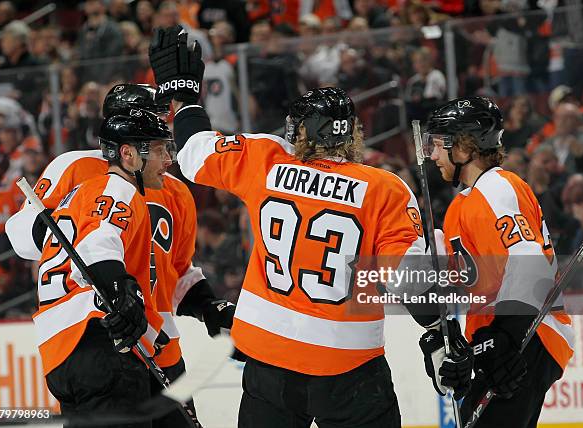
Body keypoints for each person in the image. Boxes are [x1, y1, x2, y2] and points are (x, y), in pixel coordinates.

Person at [149, 25, 473, 427]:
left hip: (268, 359)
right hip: (348, 366)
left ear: (300, 133)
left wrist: (182, 97)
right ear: (351, 133)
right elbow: (409, 280)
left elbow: (194, 154)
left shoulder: (268, 161)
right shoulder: (383, 188)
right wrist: (439, 331)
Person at [5, 84, 236, 427]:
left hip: (158, 341)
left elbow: (177, 271)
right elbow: (23, 235)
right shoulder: (78, 168)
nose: (159, 127)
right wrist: (70, 227)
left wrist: (207, 306)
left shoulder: (174, 191)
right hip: (109, 331)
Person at [423, 96, 575, 427]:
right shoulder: (461, 205)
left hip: (530, 332)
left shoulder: (498, 187)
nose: (432, 154)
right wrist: (459, 350)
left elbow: (528, 260)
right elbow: (464, 288)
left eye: (438, 144)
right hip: (499, 336)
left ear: (464, 146)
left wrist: (506, 335)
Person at [15, 108, 170, 426]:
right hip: (100, 342)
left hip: (61, 354)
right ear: (128, 154)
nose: (168, 159)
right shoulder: (117, 188)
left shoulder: (77, 195)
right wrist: (121, 290)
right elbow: (96, 244)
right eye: (158, 150)